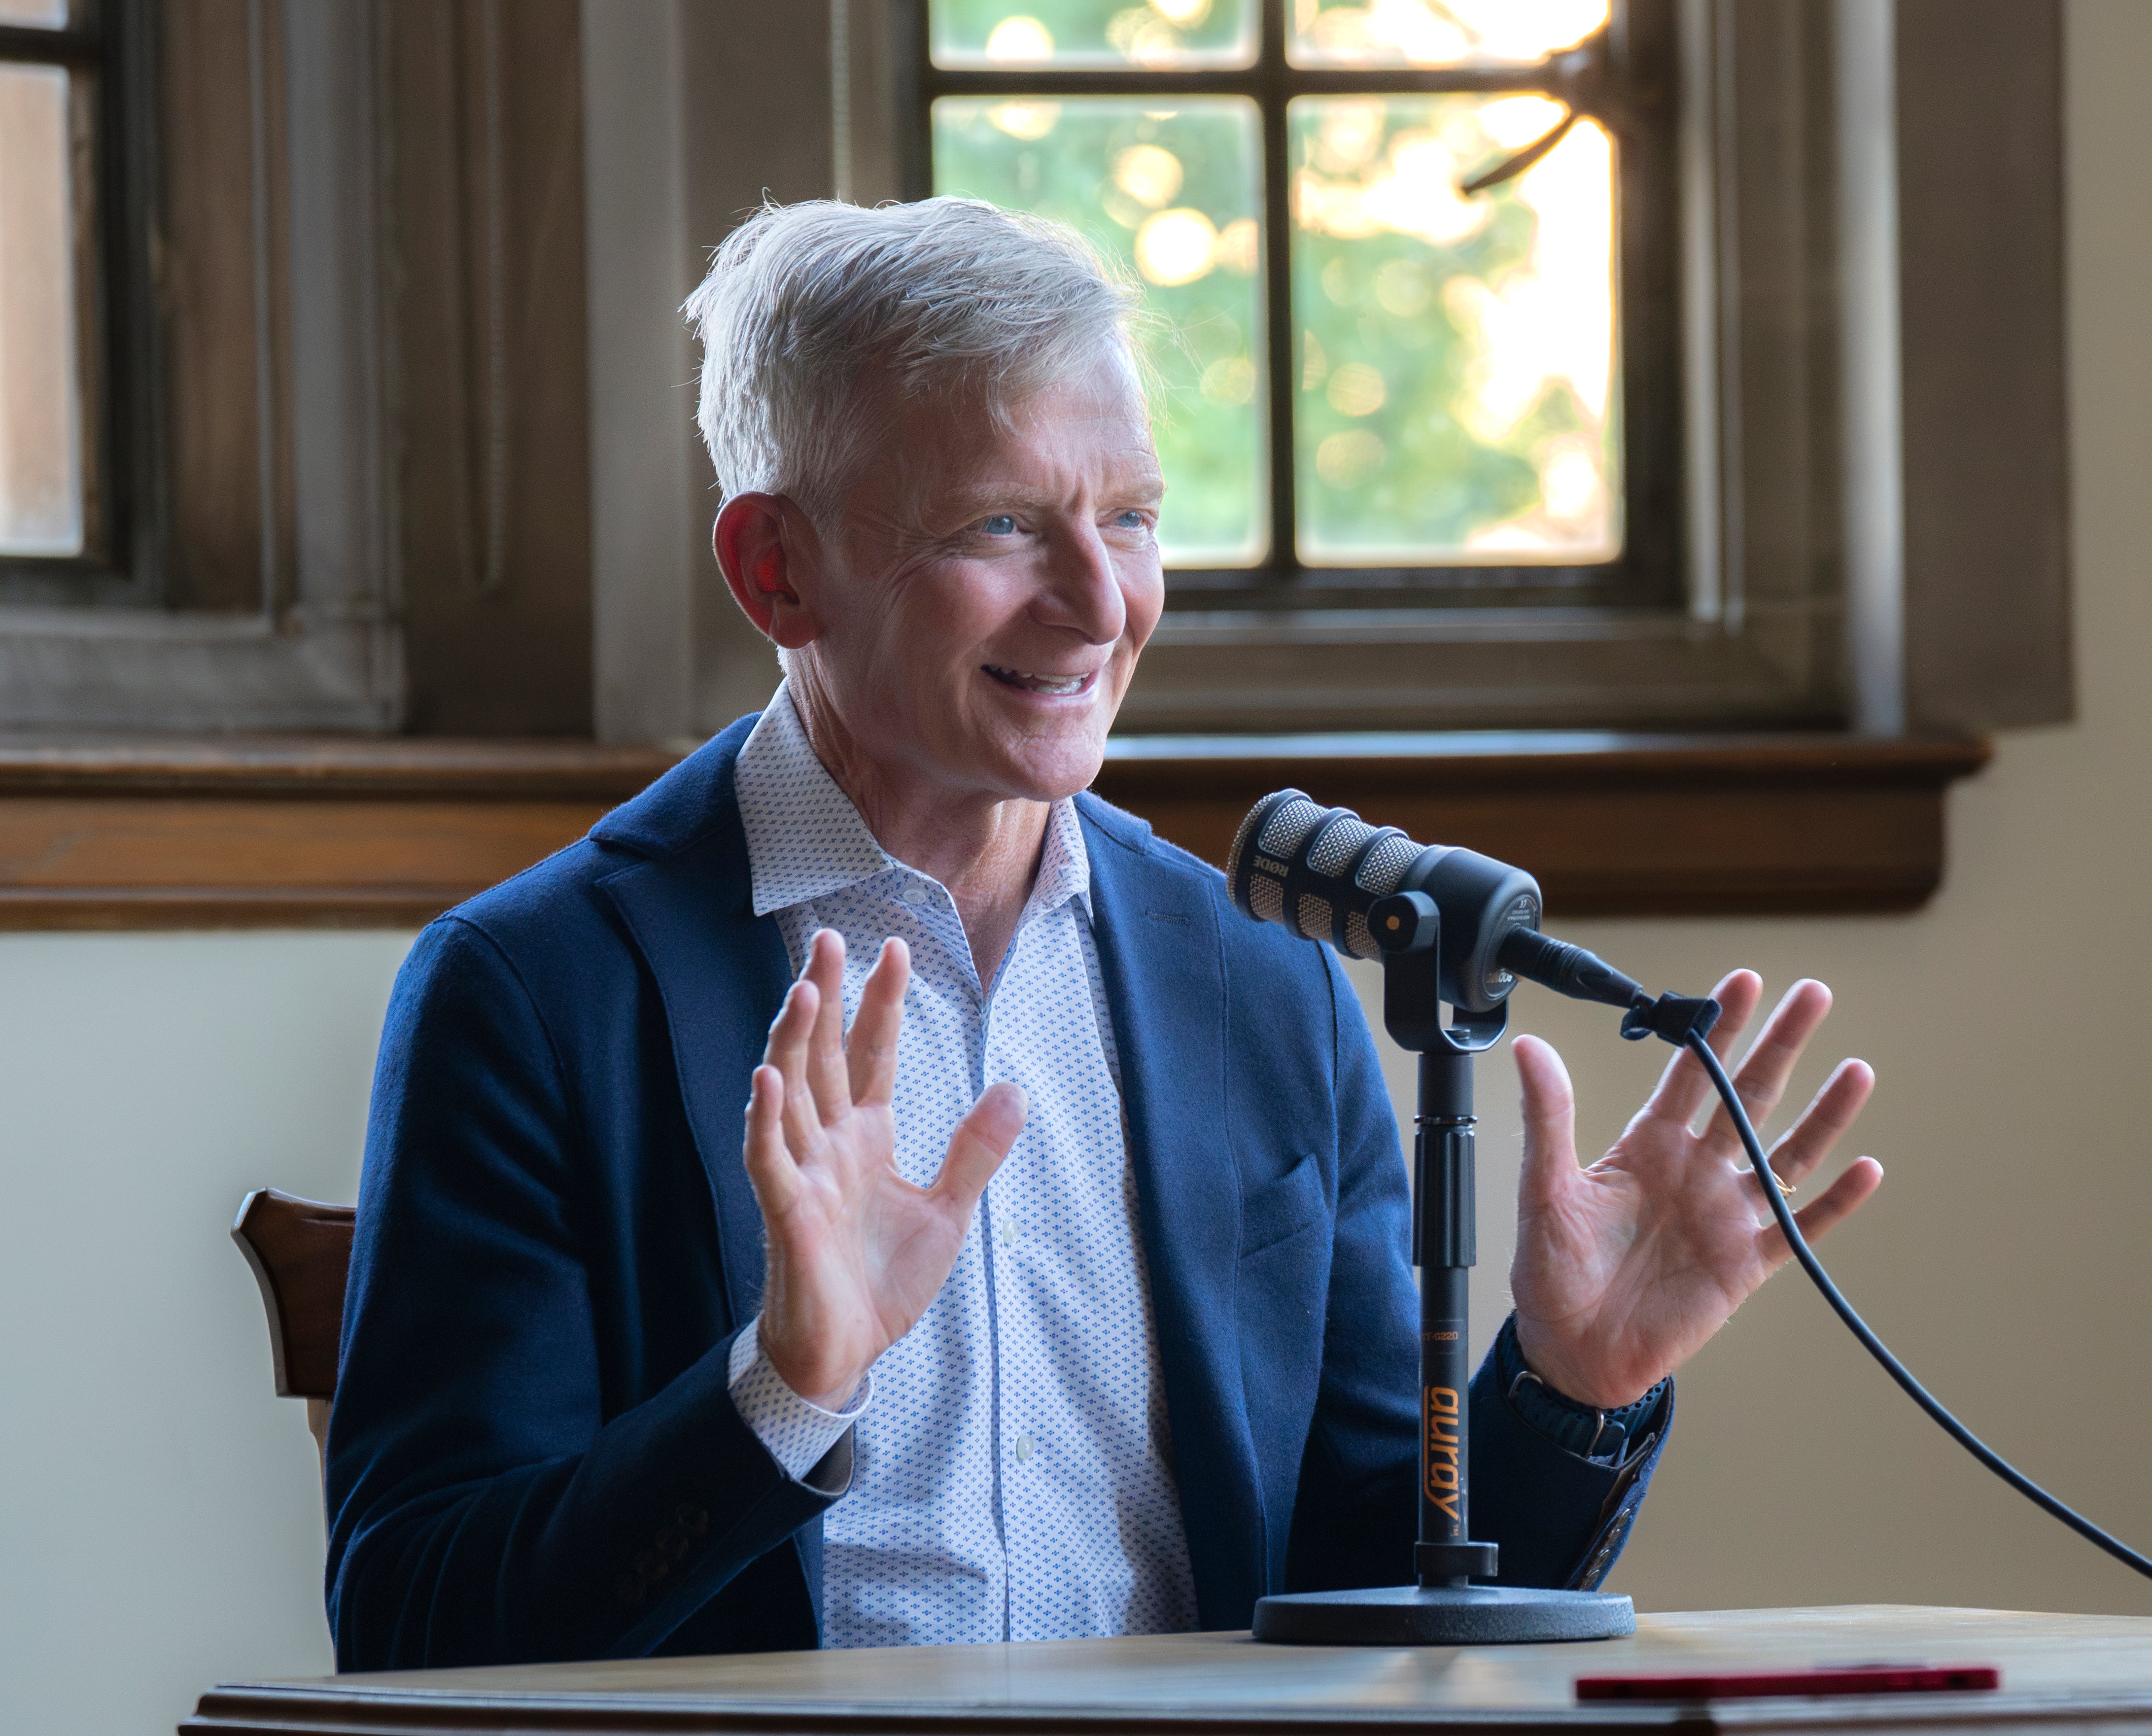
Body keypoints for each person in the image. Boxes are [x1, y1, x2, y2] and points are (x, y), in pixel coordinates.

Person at [325, 199, 1881, 1669]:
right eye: (1002, 525)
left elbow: (1359, 1594)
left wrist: (1563, 1392)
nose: (1098, 604)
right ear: (776, 570)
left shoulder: (1256, 978)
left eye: (1130, 518)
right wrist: (782, 1389)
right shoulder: (533, 995)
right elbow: (413, 1627)